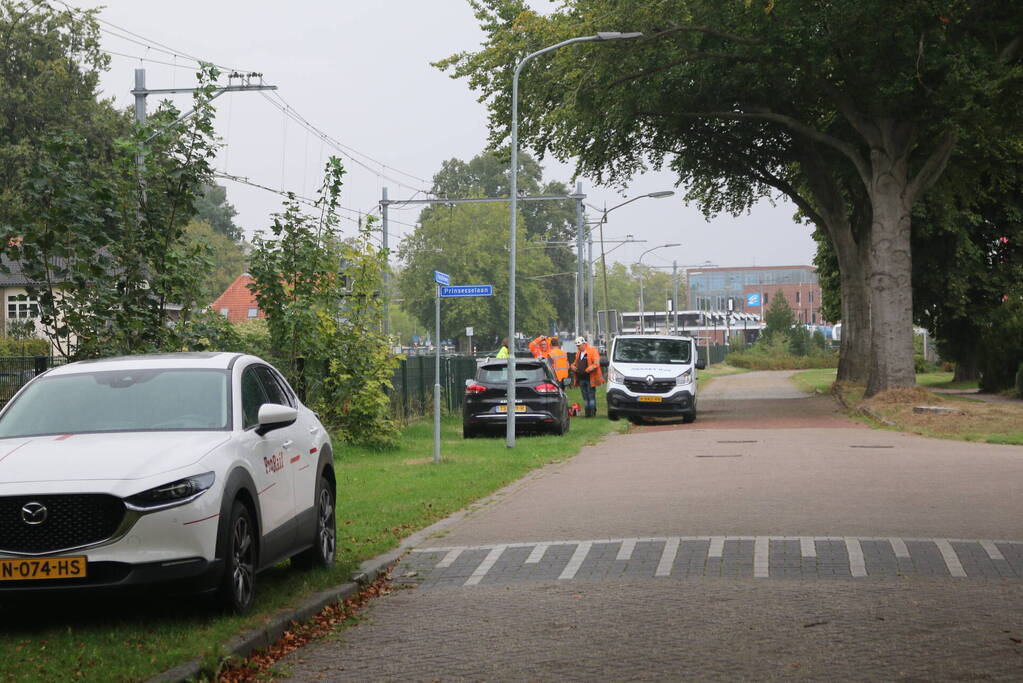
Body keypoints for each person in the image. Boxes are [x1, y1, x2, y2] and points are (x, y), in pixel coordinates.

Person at [572, 336, 604, 417]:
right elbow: (575, 363)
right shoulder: (578, 353)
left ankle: (592, 412)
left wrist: (588, 369)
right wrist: (572, 366)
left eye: (579, 345)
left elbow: (596, 363)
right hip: (581, 379)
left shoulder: (592, 351)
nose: (578, 347)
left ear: (583, 343)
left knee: (591, 396)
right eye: (577, 346)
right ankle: (587, 413)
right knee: (585, 396)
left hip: (590, 378)